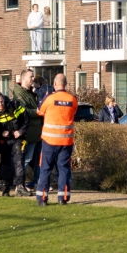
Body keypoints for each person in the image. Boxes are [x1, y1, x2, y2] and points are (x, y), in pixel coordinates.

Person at [36, 74, 77, 206]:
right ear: (66, 83)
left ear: (54, 83)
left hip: (49, 141)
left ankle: (42, 198)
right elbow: (74, 112)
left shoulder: (49, 98)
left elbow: (40, 111)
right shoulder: (72, 99)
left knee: (46, 169)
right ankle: (63, 198)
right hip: (66, 141)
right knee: (64, 169)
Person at [0, 91, 28, 196]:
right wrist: (0, 133)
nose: (0, 104)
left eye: (1, 101)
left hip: (17, 139)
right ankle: (6, 187)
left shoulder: (15, 106)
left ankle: (20, 187)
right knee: (5, 163)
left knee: (19, 161)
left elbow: (27, 119)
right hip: (3, 141)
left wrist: (21, 131)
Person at [9, 69, 42, 190]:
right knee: (25, 159)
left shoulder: (30, 92)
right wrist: (38, 112)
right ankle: (19, 184)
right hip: (29, 133)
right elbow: (24, 111)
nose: (33, 79)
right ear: (23, 78)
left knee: (38, 159)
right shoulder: (20, 94)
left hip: (37, 132)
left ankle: (39, 183)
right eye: (31, 77)